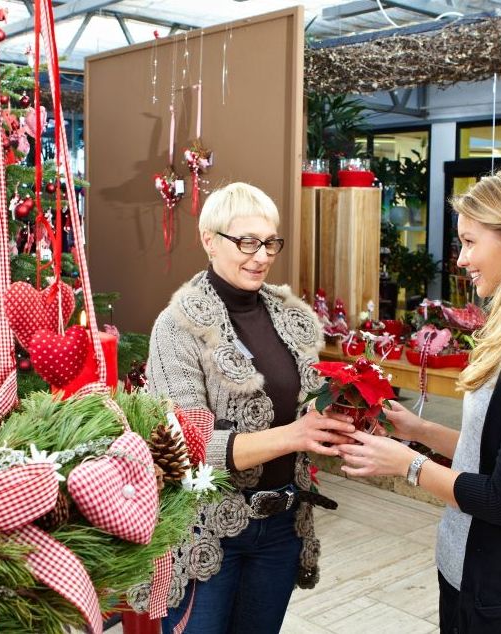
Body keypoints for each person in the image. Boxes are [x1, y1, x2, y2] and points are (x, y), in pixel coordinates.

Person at [338, 170, 501, 633]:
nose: (460, 260)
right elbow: (499, 452)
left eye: (470, 242)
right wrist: (419, 432)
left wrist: (408, 465)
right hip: (468, 569)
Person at [139, 182, 355, 634]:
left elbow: (304, 404)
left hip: (281, 527)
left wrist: (344, 415)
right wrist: (294, 436)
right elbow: (181, 448)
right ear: (209, 240)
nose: (261, 256)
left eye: (270, 242)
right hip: (207, 530)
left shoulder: (287, 315)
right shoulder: (176, 327)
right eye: (247, 242)